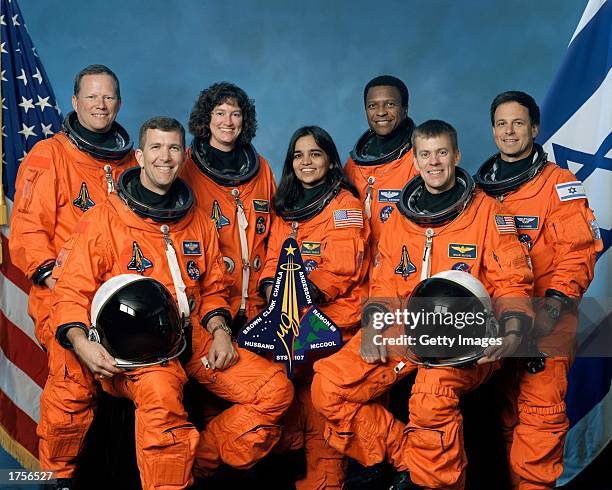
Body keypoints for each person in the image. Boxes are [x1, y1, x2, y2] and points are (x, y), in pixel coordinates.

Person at [41, 117, 293, 489]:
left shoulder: (199, 223)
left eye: (174, 148)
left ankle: (201, 459)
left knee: (275, 390)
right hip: (136, 350)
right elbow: (71, 291)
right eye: (156, 148)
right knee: (161, 402)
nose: (166, 157)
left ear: (183, 154)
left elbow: (212, 289)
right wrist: (82, 343)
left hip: (191, 336)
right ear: (140, 156)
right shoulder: (105, 220)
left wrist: (220, 330)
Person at [312, 120, 534, 490]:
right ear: (415, 161)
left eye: (442, 153)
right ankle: (408, 461)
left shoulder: (488, 213)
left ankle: (436, 484)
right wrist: (372, 329)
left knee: (431, 396)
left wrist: (512, 331)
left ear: (457, 156)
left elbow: (513, 281)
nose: (434, 162)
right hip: (406, 328)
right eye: (426, 154)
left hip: (468, 336)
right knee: (327, 386)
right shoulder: (401, 217)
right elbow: (382, 282)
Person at [474, 91, 602, 490]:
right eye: (501, 124)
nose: (509, 131)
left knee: (538, 420)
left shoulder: (559, 185)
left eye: (517, 123)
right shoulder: (479, 192)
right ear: (492, 131)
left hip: (547, 320)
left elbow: (578, 253)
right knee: (497, 423)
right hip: (496, 321)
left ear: (534, 128)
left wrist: (553, 306)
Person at [258, 126, 369, 488]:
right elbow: (273, 257)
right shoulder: (286, 208)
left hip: (333, 323)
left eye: (315, 154)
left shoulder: (344, 206)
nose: (306, 162)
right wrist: (270, 288)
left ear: (331, 161)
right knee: (288, 406)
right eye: (298, 155)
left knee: (322, 411)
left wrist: (299, 296)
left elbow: (341, 268)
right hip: (291, 323)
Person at [10, 64, 136, 352]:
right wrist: (61, 284)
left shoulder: (132, 164)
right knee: (75, 389)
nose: (100, 105)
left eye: (108, 97)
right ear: (75, 102)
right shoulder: (49, 155)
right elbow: (28, 229)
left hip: (121, 297)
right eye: (91, 97)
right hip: (65, 297)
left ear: (119, 103)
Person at [182, 82, 276, 331]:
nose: (228, 121)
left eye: (236, 114)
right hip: (211, 308)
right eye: (220, 113)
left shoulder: (262, 169)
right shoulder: (185, 168)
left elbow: (276, 232)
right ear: (207, 118)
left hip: (259, 304)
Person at [344, 75, 417, 242]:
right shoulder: (354, 163)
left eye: (390, 104)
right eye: (372, 106)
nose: (381, 112)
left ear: (405, 108)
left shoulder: (421, 159)